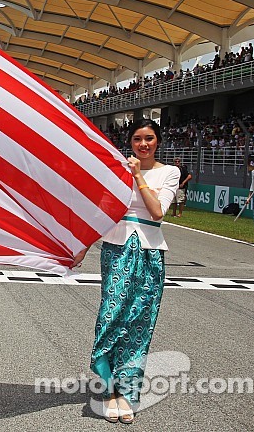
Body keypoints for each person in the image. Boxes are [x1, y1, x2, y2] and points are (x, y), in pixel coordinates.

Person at [72, 119, 179, 424]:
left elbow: (157, 212)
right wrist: (83, 246)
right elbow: (105, 213)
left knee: (140, 322)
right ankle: (107, 390)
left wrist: (137, 177)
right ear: (130, 142)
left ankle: (127, 392)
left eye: (148, 139)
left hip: (150, 252)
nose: (142, 144)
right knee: (111, 314)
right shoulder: (118, 172)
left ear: (157, 141)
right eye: (136, 139)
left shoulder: (169, 172)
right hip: (116, 250)